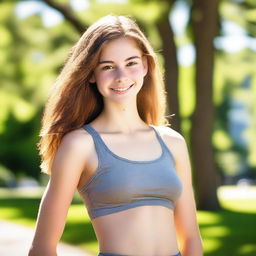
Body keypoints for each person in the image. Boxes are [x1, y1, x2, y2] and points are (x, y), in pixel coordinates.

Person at [28, 15, 203, 256]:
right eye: (107, 66)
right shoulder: (80, 145)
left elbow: (192, 238)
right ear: (91, 74)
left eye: (131, 63)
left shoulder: (173, 143)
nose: (121, 76)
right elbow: (42, 248)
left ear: (145, 66)